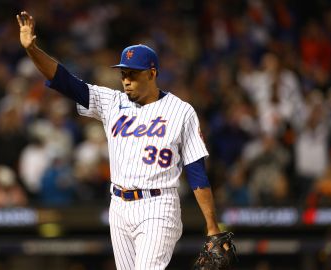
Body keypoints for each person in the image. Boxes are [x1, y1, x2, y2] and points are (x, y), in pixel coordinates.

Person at [17, 11, 231, 270]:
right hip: (118, 206)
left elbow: (197, 172)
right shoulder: (112, 102)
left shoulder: (180, 110)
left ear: (152, 73)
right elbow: (65, 81)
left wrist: (211, 225)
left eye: (133, 74)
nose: (126, 81)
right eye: (123, 74)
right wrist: (32, 50)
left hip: (158, 205)